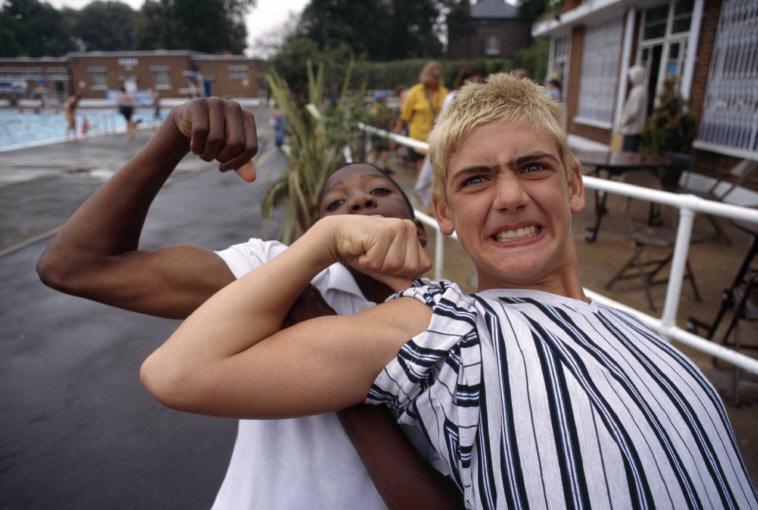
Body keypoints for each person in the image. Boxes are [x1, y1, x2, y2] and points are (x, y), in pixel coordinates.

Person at [142, 75, 757, 509]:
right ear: (444, 212)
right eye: (477, 179)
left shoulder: (650, 340)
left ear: (574, 186)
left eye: (534, 167)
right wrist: (322, 241)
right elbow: (177, 373)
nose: (510, 195)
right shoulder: (440, 326)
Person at [36, 97, 462, 510]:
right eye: (336, 203)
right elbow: (75, 266)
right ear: (321, 233)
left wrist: (322, 334)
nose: (358, 201)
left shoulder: (459, 321)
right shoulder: (279, 274)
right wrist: (172, 135)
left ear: (419, 225)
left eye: (379, 189)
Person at [414, 64, 481, 210]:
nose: (474, 80)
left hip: (463, 148)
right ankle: (432, 210)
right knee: (425, 182)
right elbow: (443, 120)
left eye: (477, 77)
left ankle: (443, 212)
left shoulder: (480, 99)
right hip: (440, 143)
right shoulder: (451, 97)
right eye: (471, 77)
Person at [395, 61, 447, 174]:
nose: (437, 80)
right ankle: (422, 190)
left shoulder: (444, 92)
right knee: (423, 170)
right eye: (434, 77)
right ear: (428, 77)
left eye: (439, 77)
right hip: (419, 138)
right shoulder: (415, 92)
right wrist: (396, 135)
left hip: (438, 138)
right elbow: (404, 116)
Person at [618, 65, 648, 152]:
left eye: (631, 77)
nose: (630, 80)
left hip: (631, 129)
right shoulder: (643, 90)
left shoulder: (637, 92)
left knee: (627, 156)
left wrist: (623, 121)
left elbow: (633, 111)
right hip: (635, 130)